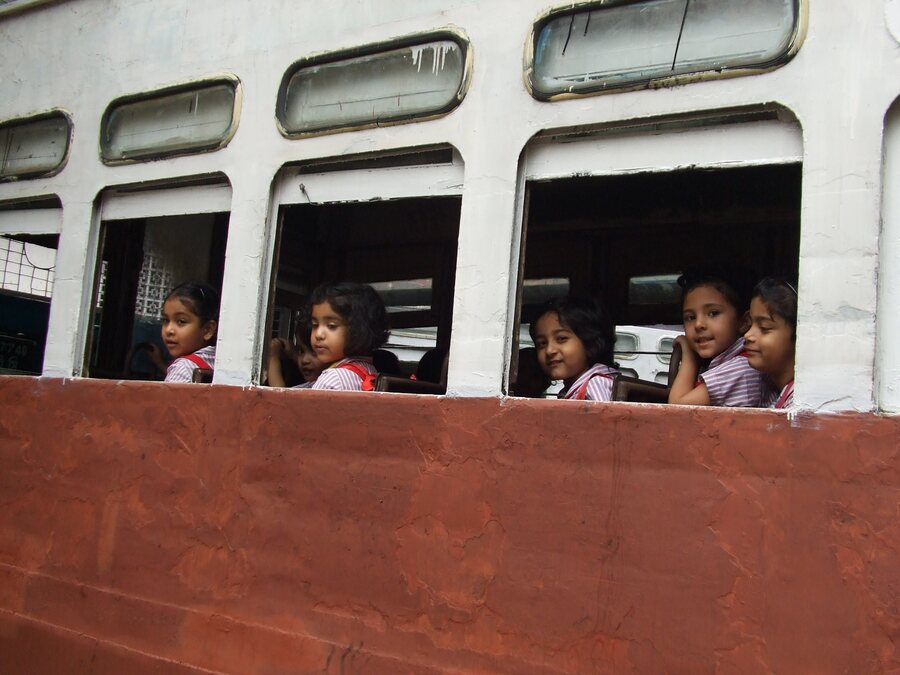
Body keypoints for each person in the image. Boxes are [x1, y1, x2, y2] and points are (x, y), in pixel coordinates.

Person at [668, 269, 764, 406]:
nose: (698, 324)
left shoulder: (741, 368)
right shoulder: (720, 363)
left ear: (743, 322)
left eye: (713, 313)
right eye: (690, 317)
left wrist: (689, 357)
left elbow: (677, 409)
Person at [530, 296, 618, 401]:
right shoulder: (572, 389)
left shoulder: (594, 385)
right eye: (542, 343)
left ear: (589, 342)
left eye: (561, 338)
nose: (549, 350)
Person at [307, 281, 389, 391]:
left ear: (358, 329)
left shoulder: (332, 380)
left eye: (331, 326)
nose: (318, 334)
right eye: (315, 325)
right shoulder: (369, 370)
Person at [148, 281, 219, 383]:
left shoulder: (183, 368)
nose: (169, 330)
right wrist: (160, 363)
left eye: (181, 321)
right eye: (166, 320)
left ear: (207, 330)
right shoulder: (217, 361)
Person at [744, 277, 797, 409]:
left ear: (797, 335)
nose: (747, 335)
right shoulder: (781, 393)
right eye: (750, 324)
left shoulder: (798, 403)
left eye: (764, 327)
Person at [267, 319, 324, 388]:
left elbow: (281, 397)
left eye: (314, 352)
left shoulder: (326, 385)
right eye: (301, 351)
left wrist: (273, 357)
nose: (304, 360)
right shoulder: (309, 385)